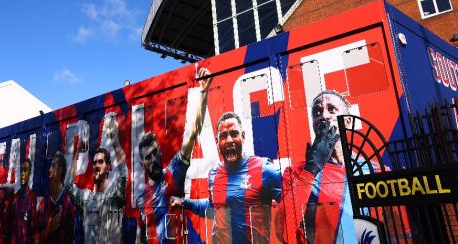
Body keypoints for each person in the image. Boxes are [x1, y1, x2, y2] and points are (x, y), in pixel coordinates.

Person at [172, 112, 282, 244]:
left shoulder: (264, 169)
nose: (229, 140)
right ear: (218, 142)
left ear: (243, 136)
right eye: (223, 136)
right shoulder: (214, 173)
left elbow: (291, 204)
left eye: (234, 134)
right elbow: (213, 207)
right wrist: (184, 203)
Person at [135, 65, 211, 243]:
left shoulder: (173, 173)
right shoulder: (141, 198)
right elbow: (141, 236)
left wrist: (203, 93)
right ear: (142, 164)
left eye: (154, 153)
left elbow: (192, 132)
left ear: (160, 153)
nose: (153, 159)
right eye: (148, 157)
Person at [278, 90, 355, 244]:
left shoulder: (375, 169)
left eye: (331, 109)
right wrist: (311, 170)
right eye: (317, 112)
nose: (324, 116)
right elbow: (284, 230)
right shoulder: (294, 173)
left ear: (347, 122)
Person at [66, 116, 128, 244]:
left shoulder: (115, 195)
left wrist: (115, 142)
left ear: (108, 167)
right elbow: (68, 185)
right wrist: (77, 152)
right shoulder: (85, 198)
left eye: (100, 162)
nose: (96, 166)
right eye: (94, 163)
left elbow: (123, 174)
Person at [36, 151, 75, 242]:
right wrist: (48, 229)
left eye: (53, 166)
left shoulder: (68, 205)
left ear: (60, 171)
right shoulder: (44, 202)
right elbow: (36, 238)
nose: (49, 169)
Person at [4, 158, 39, 244]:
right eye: (21, 170)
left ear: (30, 173)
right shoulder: (14, 199)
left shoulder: (32, 198)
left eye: (25, 170)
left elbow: (35, 228)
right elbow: (7, 224)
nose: (22, 174)